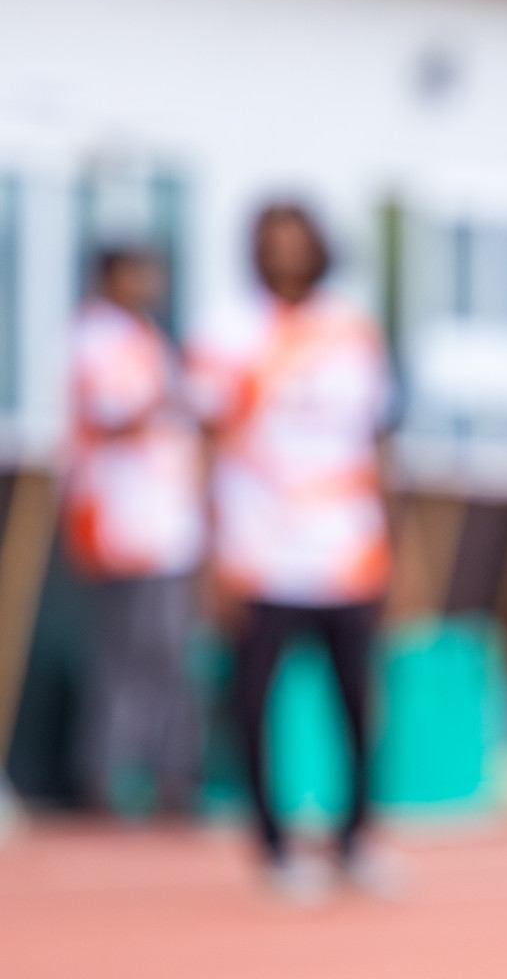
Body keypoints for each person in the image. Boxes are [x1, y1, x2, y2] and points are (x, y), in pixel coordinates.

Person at [187, 203, 393, 900]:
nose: (287, 256)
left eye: (298, 243)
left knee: (358, 703)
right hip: (259, 551)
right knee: (253, 704)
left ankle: (355, 840)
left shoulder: (353, 330)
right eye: (274, 244)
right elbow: (204, 443)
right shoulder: (226, 331)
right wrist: (210, 550)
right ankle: (273, 848)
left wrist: (396, 542)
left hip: (346, 550)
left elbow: (377, 442)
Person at [65, 246, 205, 816]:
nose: (147, 282)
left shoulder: (148, 337)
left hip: (167, 527)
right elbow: (111, 416)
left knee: (168, 653)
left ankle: (169, 775)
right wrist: (171, 402)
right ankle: (107, 773)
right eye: (135, 272)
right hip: (120, 525)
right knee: (130, 654)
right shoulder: (93, 338)